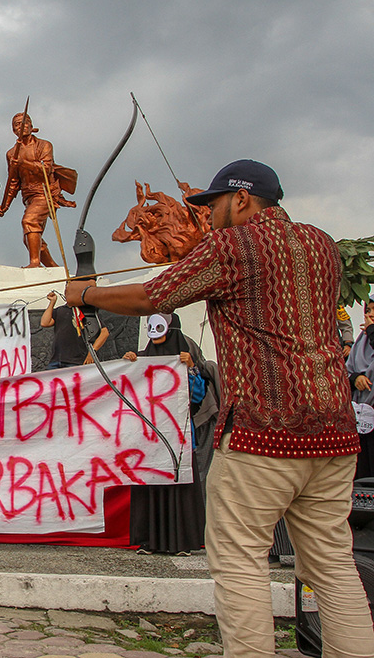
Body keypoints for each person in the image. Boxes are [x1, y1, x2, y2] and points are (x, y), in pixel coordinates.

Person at [65, 159, 374, 657]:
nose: (210, 215)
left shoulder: (233, 246)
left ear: (244, 198)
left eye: (216, 204)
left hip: (262, 434)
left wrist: (87, 292)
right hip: (334, 434)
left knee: (239, 563)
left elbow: (153, 296)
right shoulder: (321, 243)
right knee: (333, 566)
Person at [125, 314, 206, 556]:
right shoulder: (142, 358)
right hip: (150, 438)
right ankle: (148, 540)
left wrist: (191, 368)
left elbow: (198, 396)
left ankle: (181, 541)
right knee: (151, 484)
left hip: (178, 436)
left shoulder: (186, 361)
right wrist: (129, 364)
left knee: (178, 486)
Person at [0, 112, 78, 268]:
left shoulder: (44, 145)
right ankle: (54, 269)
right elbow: (14, 181)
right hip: (28, 196)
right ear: (13, 130)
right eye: (16, 124)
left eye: (24, 123)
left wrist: (23, 163)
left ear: (31, 126)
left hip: (44, 192)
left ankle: (35, 263)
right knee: (29, 237)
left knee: (30, 222)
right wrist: (5, 205)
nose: (20, 127)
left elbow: (46, 169)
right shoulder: (11, 153)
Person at [40, 291, 108, 369]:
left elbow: (104, 332)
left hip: (77, 361)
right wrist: (52, 302)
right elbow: (45, 323)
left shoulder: (87, 311)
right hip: (57, 360)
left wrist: (92, 353)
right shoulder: (60, 310)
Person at [347, 299, 374, 477]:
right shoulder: (360, 342)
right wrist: (356, 378)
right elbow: (346, 372)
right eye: (368, 310)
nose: (369, 315)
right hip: (361, 417)